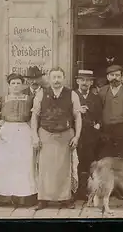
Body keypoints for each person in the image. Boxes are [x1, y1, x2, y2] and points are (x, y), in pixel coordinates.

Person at [31, 67, 82, 210]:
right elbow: (34, 116)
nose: (56, 80)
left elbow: (78, 117)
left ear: (64, 78)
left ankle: (65, 199)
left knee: (65, 168)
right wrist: (35, 136)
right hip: (45, 134)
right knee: (45, 168)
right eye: (54, 77)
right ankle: (43, 199)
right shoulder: (41, 93)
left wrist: (77, 136)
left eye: (59, 77)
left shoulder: (72, 94)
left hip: (65, 135)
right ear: (49, 78)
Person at [0, 73, 37, 207]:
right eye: (13, 83)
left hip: (24, 131)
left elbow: (35, 115)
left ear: (22, 85)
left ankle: (22, 198)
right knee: (5, 163)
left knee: (23, 163)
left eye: (18, 83)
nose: (16, 86)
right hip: (7, 132)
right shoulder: (3, 99)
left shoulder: (30, 99)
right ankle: (4, 197)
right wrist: (0, 123)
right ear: (9, 85)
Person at [74, 69, 102, 200]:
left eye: (88, 80)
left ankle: (88, 191)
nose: (85, 83)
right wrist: (78, 110)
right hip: (77, 136)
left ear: (91, 83)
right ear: (77, 81)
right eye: (82, 80)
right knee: (76, 163)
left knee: (89, 164)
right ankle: (75, 190)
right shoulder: (72, 96)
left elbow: (101, 116)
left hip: (91, 137)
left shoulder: (96, 98)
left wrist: (98, 125)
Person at [98, 65, 123, 159]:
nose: (115, 77)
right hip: (107, 130)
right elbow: (99, 110)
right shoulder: (102, 91)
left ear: (122, 76)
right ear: (107, 77)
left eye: (117, 75)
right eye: (112, 75)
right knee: (107, 157)